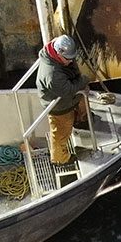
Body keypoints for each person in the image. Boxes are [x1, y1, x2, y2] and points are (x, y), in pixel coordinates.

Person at [35, 34, 89, 165]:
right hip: (58, 106)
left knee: (81, 99)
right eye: (67, 58)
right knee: (60, 133)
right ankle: (60, 159)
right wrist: (84, 81)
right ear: (58, 54)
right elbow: (67, 91)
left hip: (66, 98)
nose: (71, 61)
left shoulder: (52, 53)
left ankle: (81, 119)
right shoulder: (52, 75)